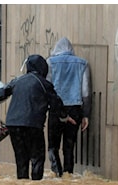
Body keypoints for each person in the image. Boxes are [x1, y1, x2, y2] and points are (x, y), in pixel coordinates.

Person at [0, 54, 76, 181]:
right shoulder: (44, 84)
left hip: (13, 125)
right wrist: (64, 117)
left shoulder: (17, 81)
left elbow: (0, 94)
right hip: (32, 125)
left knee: (21, 159)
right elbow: (56, 102)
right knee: (37, 158)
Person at [46, 37, 92, 177]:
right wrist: (86, 115)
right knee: (69, 146)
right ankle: (68, 174)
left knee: (53, 145)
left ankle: (57, 173)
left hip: (56, 108)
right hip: (75, 109)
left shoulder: (50, 62)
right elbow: (86, 92)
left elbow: (47, 87)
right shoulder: (83, 64)